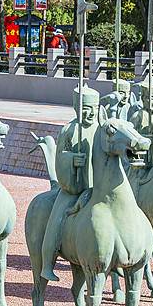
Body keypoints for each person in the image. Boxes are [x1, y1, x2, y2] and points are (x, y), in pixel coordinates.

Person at [41, 86, 100, 281]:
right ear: (77, 108)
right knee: (56, 218)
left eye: (94, 108)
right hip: (74, 187)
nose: (90, 113)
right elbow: (60, 157)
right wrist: (71, 159)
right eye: (86, 108)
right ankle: (48, 263)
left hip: (96, 186)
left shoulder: (100, 130)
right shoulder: (69, 130)